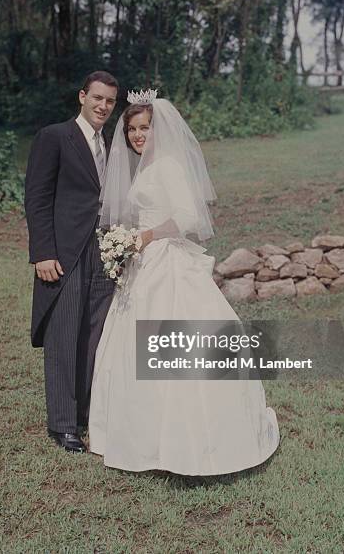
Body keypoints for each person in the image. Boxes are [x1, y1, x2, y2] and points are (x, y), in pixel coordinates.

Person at [88, 90, 280, 475]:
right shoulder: (146, 167)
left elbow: (188, 219)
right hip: (142, 264)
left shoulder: (170, 166)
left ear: (160, 131)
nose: (138, 136)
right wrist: (126, 244)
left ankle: (190, 440)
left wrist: (144, 238)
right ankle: (140, 436)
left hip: (165, 261)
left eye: (145, 128)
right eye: (132, 130)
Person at [24, 71, 118, 453]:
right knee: (63, 335)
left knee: (94, 334)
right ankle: (62, 425)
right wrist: (42, 252)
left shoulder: (111, 142)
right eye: (97, 98)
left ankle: (84, 414)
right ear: (82, 96)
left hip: (104, 250)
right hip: (63, 253)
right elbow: (37, 196)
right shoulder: (54, 137)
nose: (103, 106)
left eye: (110, 101)